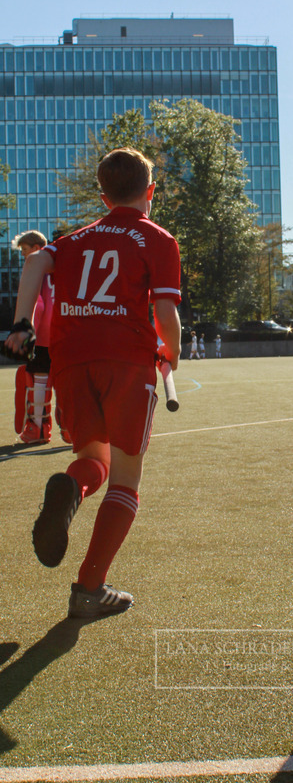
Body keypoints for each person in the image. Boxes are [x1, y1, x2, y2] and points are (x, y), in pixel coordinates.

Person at [6, 147, 181, 619]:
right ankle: (89, 587)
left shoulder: (71, 240)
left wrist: (22, 322)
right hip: (126, 363)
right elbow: (165, 312)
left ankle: (71, 487)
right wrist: (173, 352)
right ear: (151, 192)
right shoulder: (158, 238)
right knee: (127, 477)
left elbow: (35, 263)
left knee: (93, 459)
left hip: (71, 361)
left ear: (103, 196)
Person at [12, 230, 55, 444]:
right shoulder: (60, 269)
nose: (23, 255)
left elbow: (37, 306)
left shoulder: (34, 271)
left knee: (38, 381)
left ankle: (38, 428)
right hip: (63, 336)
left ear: (37, 249)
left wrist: (28, 338)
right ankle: (70, 428)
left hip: (42, 338)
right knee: (65, 381)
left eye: (25, 250)